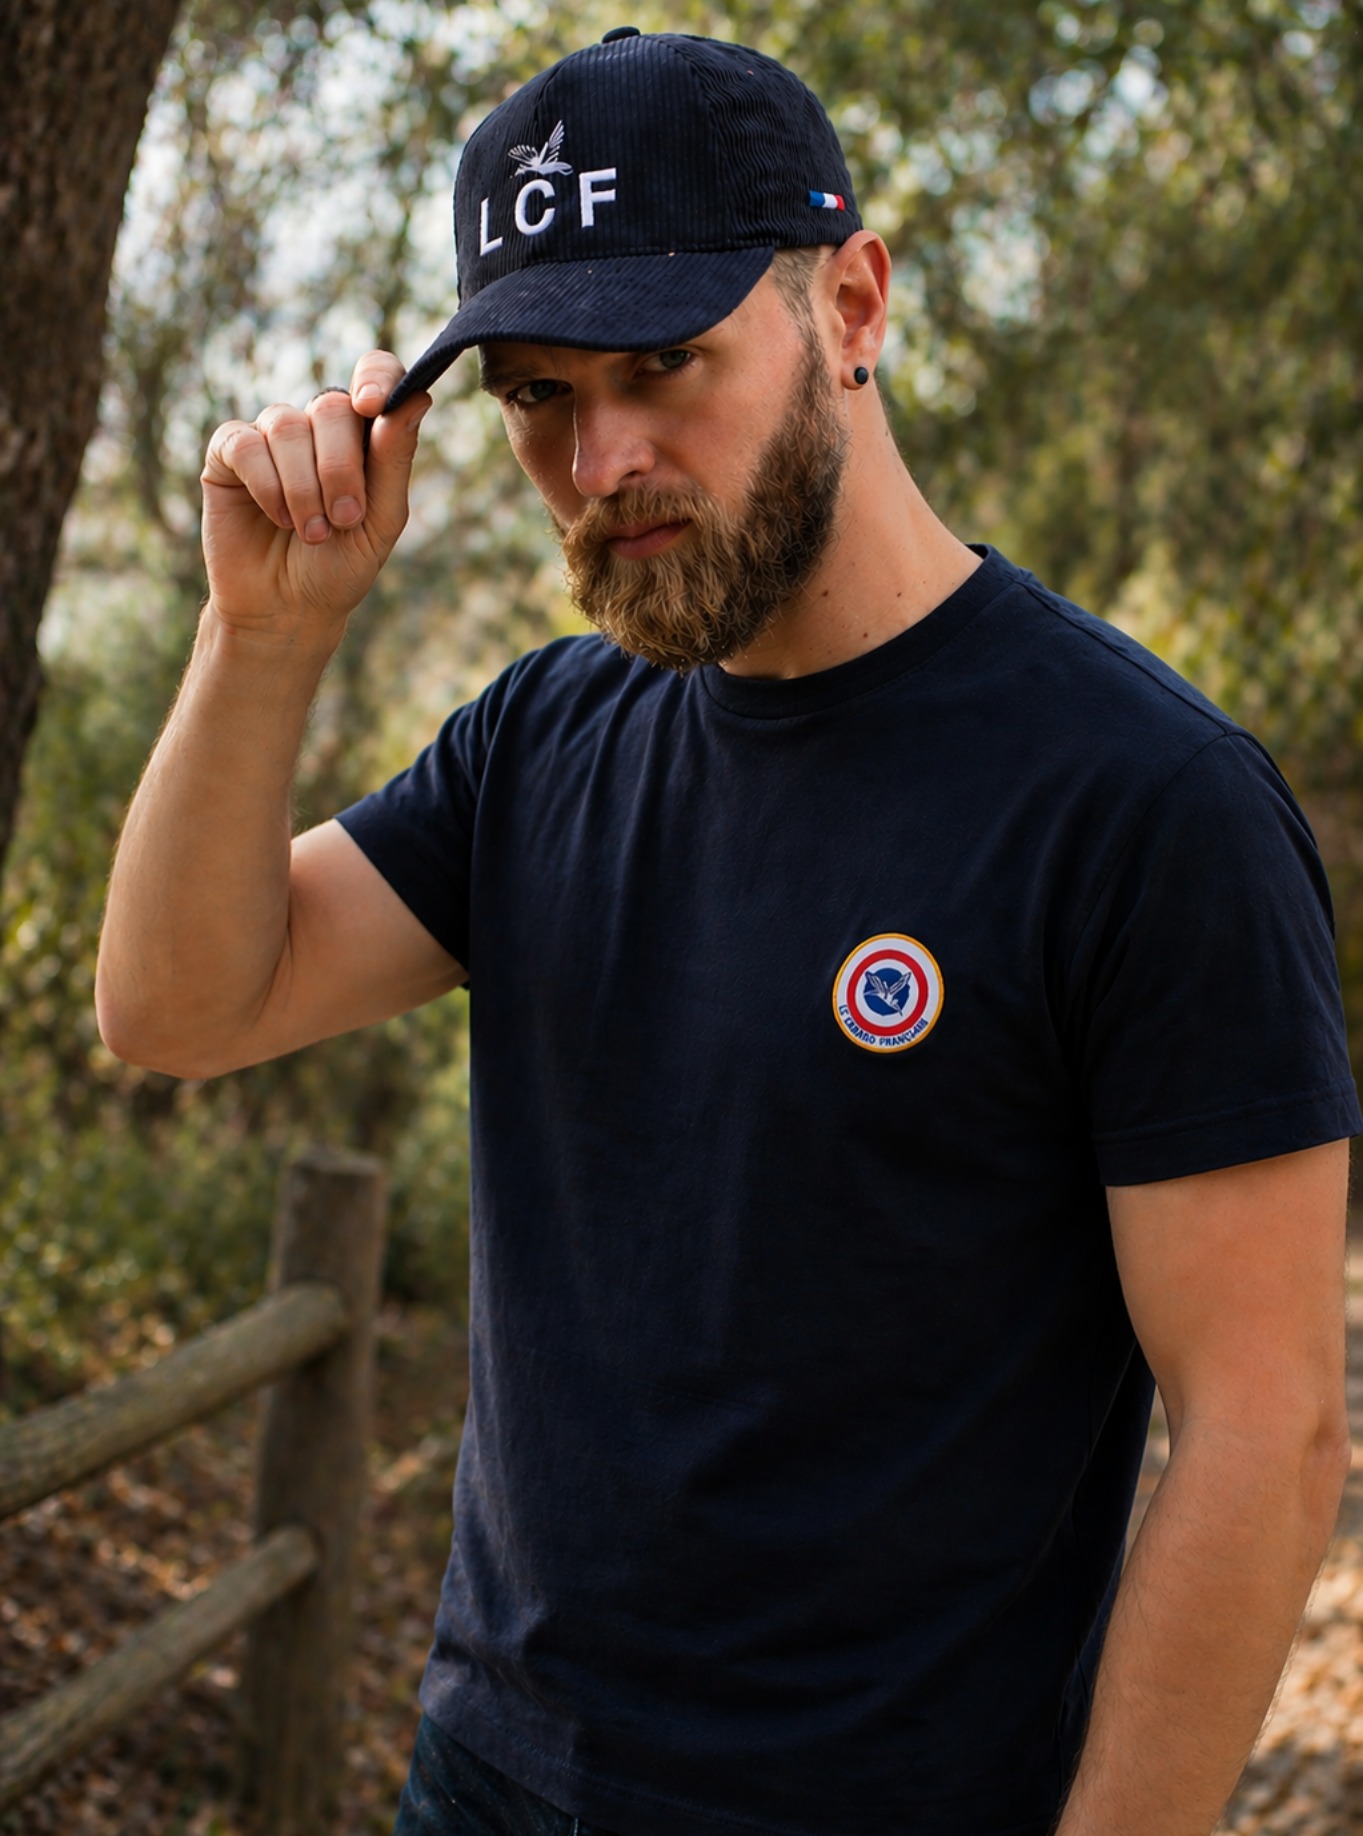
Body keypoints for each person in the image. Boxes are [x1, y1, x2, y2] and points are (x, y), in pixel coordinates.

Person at [95, 28, 1360, 1836]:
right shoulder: (540, 740)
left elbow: (1263, 1430)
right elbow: (174, 1006)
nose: (603, 456)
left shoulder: (1144, 801)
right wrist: (262, 639)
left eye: (665, 361)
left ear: (853, 305)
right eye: (537, 393)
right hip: (487, 1784)